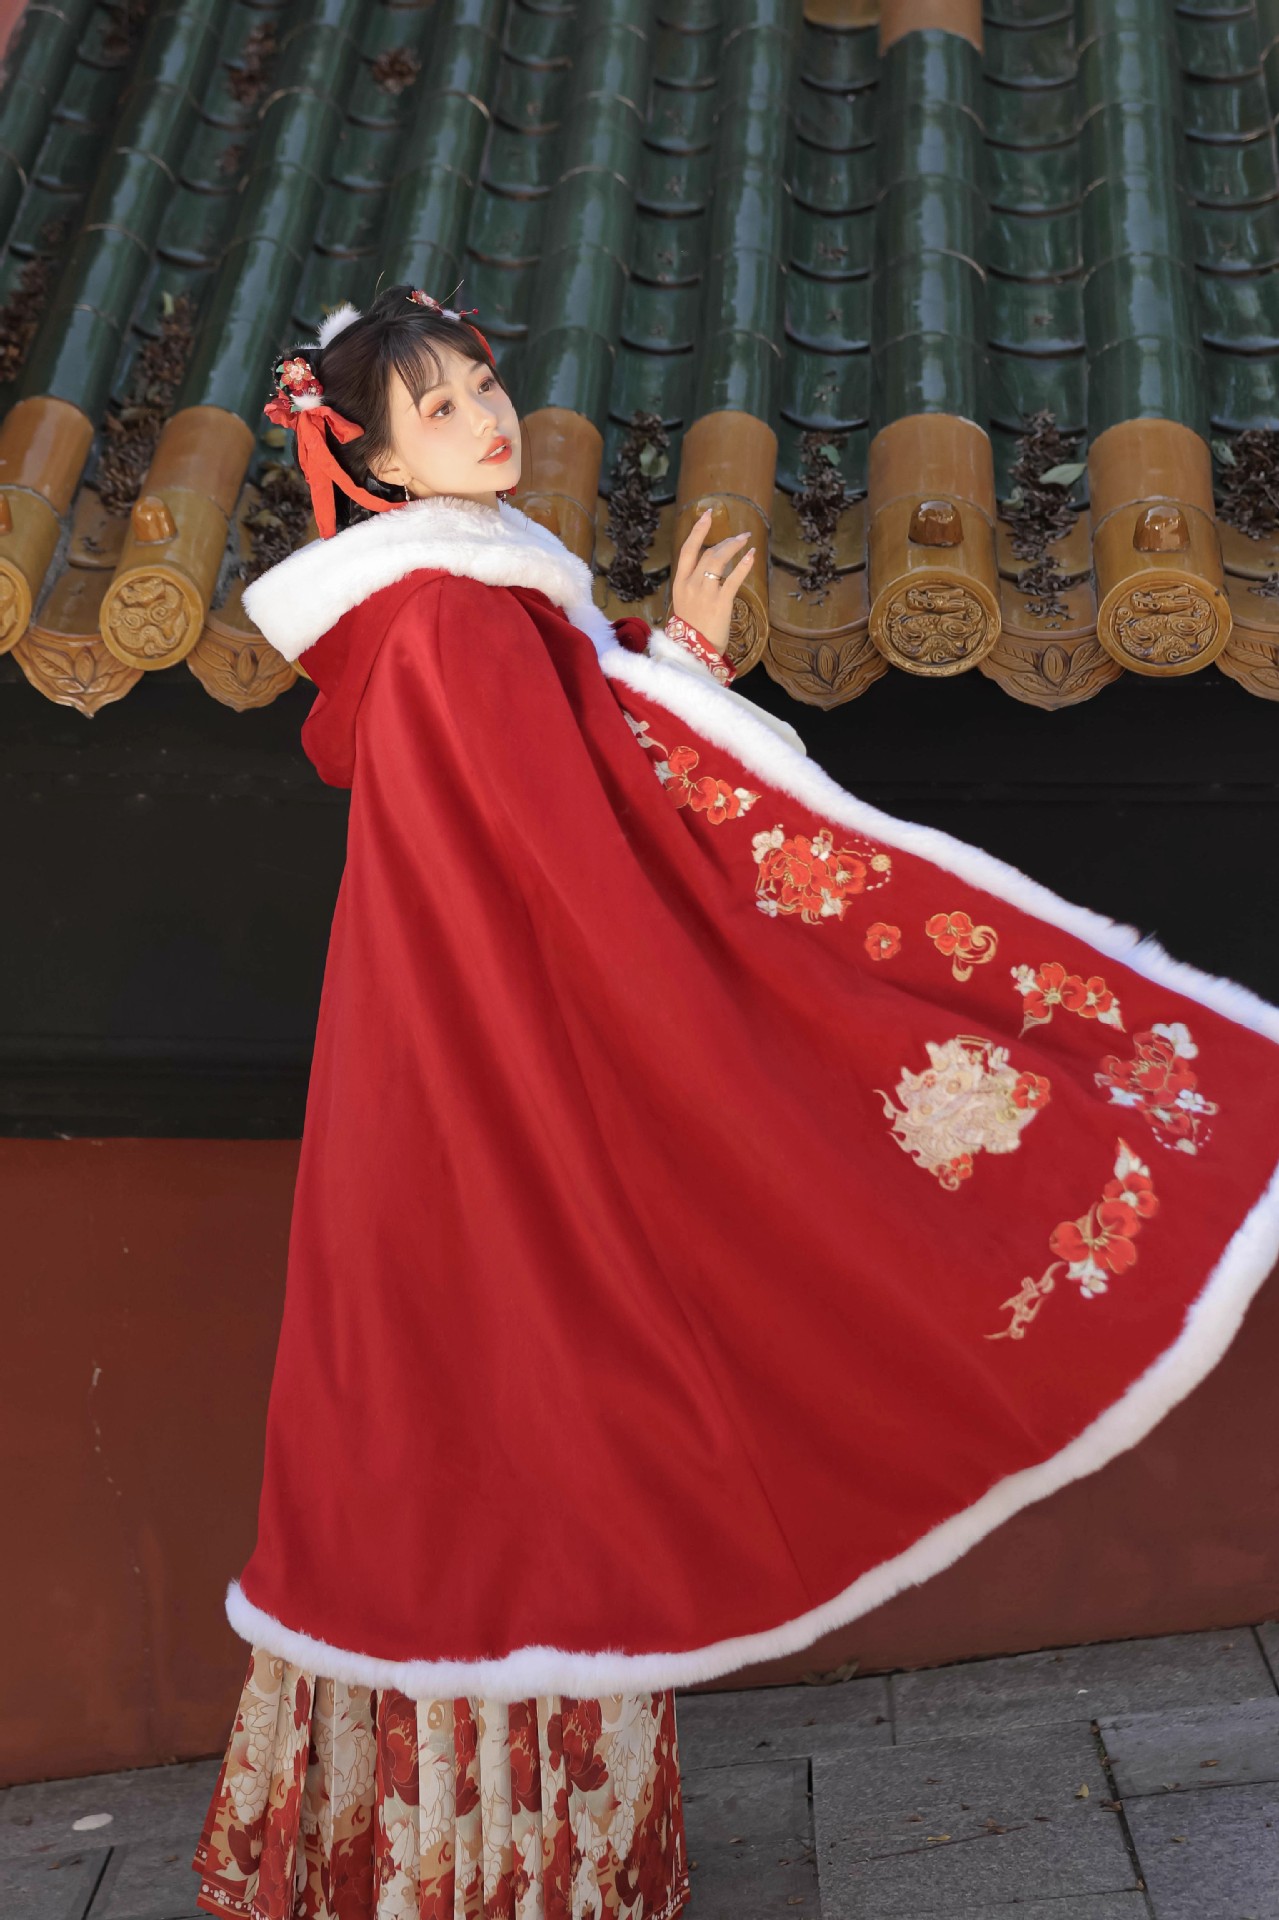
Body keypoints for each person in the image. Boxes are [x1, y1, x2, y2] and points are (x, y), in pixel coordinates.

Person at [192, 283, 1279, 1920]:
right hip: (489, 1086)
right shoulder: (459, 621)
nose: (486, 416)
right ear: (376, 463)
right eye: (439, 409)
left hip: (431, 1081)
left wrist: (673, 665)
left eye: (483, 381)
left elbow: (562, 798)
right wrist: (691, 716)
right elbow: (577, 846)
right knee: (532, 1419)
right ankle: (518, 1874)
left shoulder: (457, 609)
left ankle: (428, 1861)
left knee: (451, 1429)